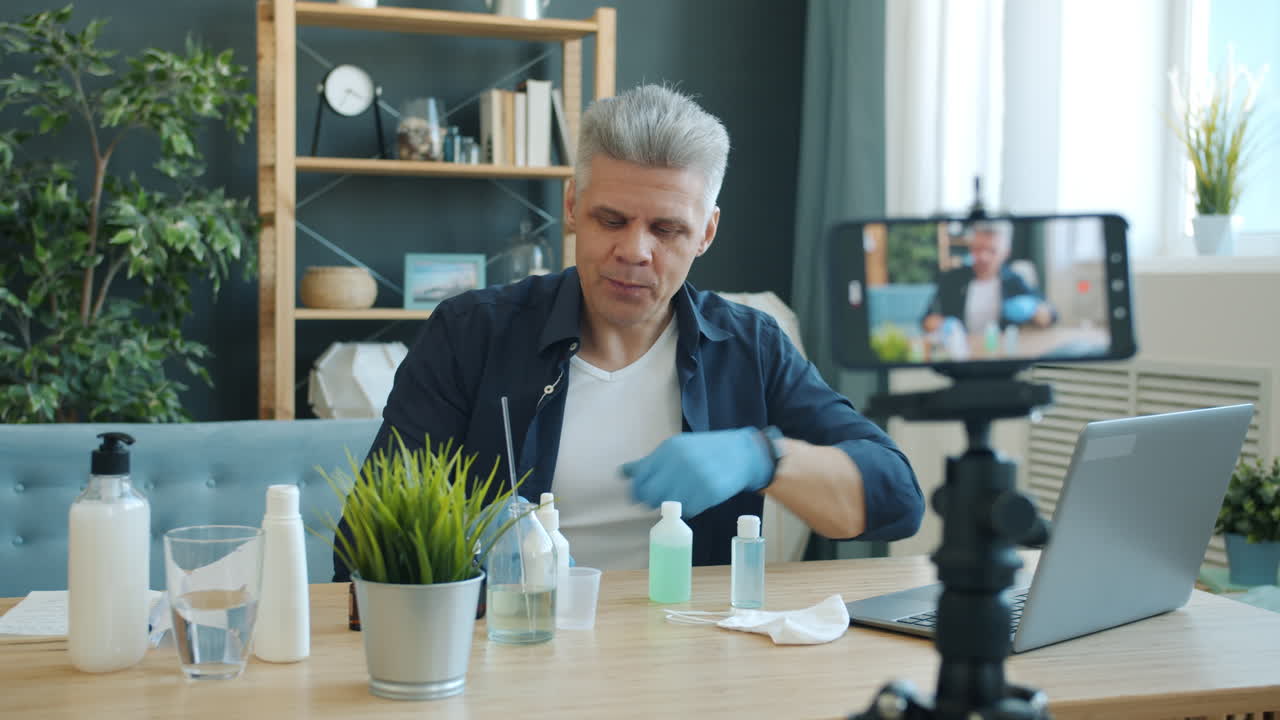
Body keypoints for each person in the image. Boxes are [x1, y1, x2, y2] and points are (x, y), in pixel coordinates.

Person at [333, 84, 922, 577]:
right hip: (510, 645)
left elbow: (895, 500)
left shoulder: (751, 346)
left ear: (707, 233)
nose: (634, 251)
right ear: (571, 205)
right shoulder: (471, 334)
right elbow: (364, 543)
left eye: (667, 230)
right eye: (610, 220)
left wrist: (762, 455)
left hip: (691, 655)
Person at [920, 221, 1055, 336]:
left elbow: (1051, 316)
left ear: (1005, 252)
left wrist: (1033, 309)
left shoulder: (1014, 281)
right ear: (970, 248)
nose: (984, 257)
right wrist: (942, 325)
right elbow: (926, 321)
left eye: (992, 250)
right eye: (978, 249)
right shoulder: (952, 278)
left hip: (1001, 357)